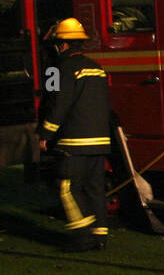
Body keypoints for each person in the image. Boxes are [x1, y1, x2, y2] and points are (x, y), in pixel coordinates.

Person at [38, 18, 112, 251]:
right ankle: (100, 236)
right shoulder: (97, 68)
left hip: (74, 141)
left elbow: (56, 104)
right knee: (95, 188)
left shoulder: (61, 69)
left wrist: (45, 134)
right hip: (100, 140)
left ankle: (83, 235)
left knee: (67, 188)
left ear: (63, 45)